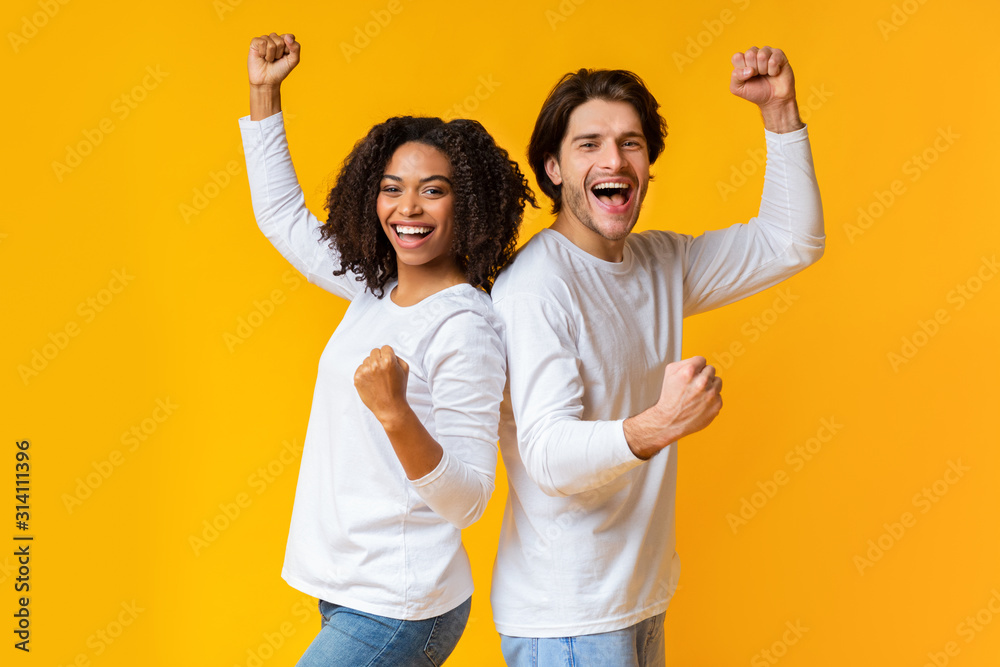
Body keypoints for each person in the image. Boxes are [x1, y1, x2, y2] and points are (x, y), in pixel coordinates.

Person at [490, 47, 825, 666]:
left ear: (647, 164)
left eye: (631, 143)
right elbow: (547, 457)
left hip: (637, 601)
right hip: (570, 619)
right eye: (588, 144)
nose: (613, 159)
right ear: (554, 168)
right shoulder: (538, 288)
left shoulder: (658, 264)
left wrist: (779, 113)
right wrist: (659, 425)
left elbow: (791, 241)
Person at [239, 32, 535, 666]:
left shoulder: (465, 326)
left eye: (433, 190)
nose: (408, 208)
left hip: (400, 602)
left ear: (470, 205)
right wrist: (266, 94)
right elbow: (283, 218)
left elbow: (470, 499)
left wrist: (395, 412)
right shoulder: (374, 288)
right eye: (392, 187)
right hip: (346, 587)